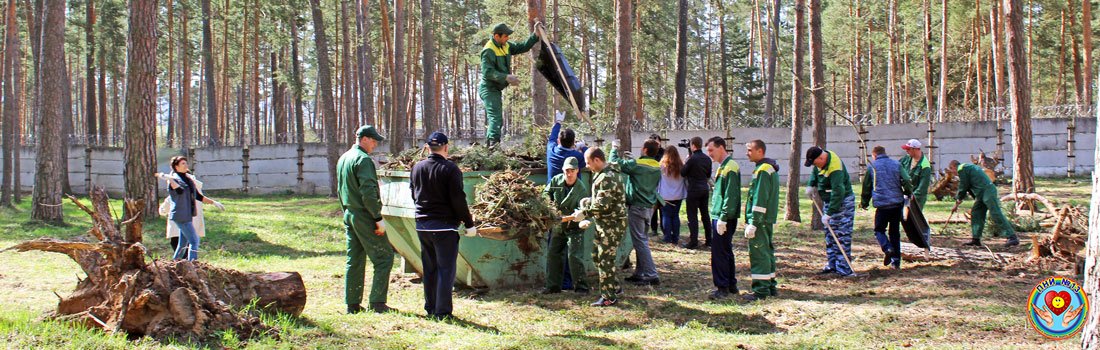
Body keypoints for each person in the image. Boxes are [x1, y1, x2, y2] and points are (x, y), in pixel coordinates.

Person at [411, 132, 478, 320]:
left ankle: (430, 307)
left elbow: (414, 194)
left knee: (430, 268)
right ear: (446, 147)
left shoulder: (417, 168)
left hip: (422, 226)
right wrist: (469, 223)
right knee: (446, 270)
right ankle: (442, 312)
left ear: (428, 147)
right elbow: (458, 199)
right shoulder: (450, 169)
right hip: (444, 227)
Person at [337, 125, 393, 314]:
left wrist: (346, 211)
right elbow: (368, 192)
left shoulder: (344, 158)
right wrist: (377, 218)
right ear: (364, 139)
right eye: (373, 140)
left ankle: (351, 304)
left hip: (349, 213)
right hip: (364, 215)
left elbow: (339, 190)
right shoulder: (363, 160)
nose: (375, 145)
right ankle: (377, 303)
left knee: (354, 259)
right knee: (384, 257)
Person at [576, 147, 627, 306]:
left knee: (605, 259)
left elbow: (603, 205)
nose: (587, 166)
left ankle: (608, 297)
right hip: (603, 224)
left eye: (588, 162)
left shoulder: (608, 177)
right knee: (597, 256)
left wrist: (585, 212)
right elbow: (600, 198)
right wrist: (587, 202)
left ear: (597, 160)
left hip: (612, 225)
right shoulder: (601, 174)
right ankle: (614, 286)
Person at [610, 139, 663, 286]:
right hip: (649, 207)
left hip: (637, 207)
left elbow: (614, 163)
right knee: (642, 240)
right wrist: (633, 160)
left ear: (645, 150)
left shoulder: (637, 165)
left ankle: (652, 274)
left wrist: (614, 148)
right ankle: (640, 273)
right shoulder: (657, 166)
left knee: (640, 242)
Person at [479, 23, 541, 145]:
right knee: (496, 118)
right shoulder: (488, 50)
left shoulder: (505, 45)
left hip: (495, 89)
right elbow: (488, 72)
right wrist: (506, 77)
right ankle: (493, 146)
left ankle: (488, 148)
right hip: (488, 89)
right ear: (497, 36)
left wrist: (535, 35)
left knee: (495, 118)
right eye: (505, 36)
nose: (508, 38)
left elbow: (521, 47)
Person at [545, 110, 586, 290]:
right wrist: (582, 148)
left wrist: (557, 123)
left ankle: (554, 282)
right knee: (571, 251)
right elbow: (586, 158)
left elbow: (551, 140)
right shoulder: (576, 157)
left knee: (554, 249)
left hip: (554, 207)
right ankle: (567, 282)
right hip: (572, 208)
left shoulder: (552, 151)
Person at [156, 156, 224, 262]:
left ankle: (175, 262)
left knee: (183, 243)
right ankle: (193, 264)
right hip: (180, 215)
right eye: (183, 163)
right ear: (176, 167)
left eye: (186, 163)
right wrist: (169, 179)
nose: (186, 165)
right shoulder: (174, 179)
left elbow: (198, 196)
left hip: (188, 214)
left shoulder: (189, 180)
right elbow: (179, 191)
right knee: (194, 240)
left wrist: (213, 202)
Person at [805, 146, 857, 277]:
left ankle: (844, 269)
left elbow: (839, 192)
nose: (815, 166)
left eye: (815, 162)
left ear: (821, 158)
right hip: (830, 201)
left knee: (841, 235)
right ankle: (832, 265)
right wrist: (811, 185)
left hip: (843, 203)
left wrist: (830, 213)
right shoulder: (821, 162)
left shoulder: (835, 167)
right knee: (830, 234)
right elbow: (815, 172)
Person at [541, 157, 590, 294]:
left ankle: (581, 288)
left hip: (574, 228)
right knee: (553, 254)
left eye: (572, 171)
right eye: (567, 170)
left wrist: (582, 218)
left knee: (574, 257)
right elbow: (546, 193)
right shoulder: (556, 180)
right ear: (563, 170)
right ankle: (553, 287)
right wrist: (549, 206)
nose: (569, 174)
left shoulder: (581, 189)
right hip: (558, 225)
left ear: (577, 171)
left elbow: (584, 210)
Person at [860, 146, 913, 270]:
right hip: (896, 203)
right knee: (894, 232)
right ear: (885, 153)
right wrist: (908, 192)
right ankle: (896, 262)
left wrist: (864, 202)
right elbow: (906, 180)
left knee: (879, 230)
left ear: (874, 155)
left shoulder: (872, 167)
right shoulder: (896, 164)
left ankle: (887, 247)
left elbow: (867, 187)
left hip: (882, 205)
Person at [946, 160, 1020, 247]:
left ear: (953, 167)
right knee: (976, 213)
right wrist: (960, 201)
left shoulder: (962, 168)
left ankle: (1012, 236)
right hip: (981, 193)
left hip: (987, 190)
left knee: (995, 213)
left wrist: (957, 201)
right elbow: (969, 187)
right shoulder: (967, 169)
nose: (954, 173)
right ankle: (976, 239)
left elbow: (963, 186)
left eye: (952, 170)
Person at [742, 140, 779, 301]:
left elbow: (760, 198)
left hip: (760, 220)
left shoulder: (763, 171)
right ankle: (770, 285)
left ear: (760, 151)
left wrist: (754, 222)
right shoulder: (766, 169)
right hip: (766, 220)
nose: (747, 153)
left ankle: (761, 290)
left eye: (750, 150)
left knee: (759, 253)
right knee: (767, 251)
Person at [705, 137, 741, 300]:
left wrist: (723, 217)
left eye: (711, 150)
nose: (710, 154)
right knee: (725, 250)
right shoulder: (723, 166)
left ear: (721, 148)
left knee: (719, 252)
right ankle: (731, 284)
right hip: (721, 215)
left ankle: (722, 286)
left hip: (723, 216)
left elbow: (731, 195)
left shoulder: (730, 167)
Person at [681, 136, 713, 249]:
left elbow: (683, 173)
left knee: (692, 216)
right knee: (705, 215)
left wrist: (685, 163)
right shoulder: (707, 158)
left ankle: (693, 241)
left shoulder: (692, 159)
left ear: (693, 145)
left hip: (694, 189)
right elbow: (708, 175)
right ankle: (709, 240)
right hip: (704, 188)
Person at [658, 146, 686, 244]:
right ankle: (675, 237)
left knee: (666, 216)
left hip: (665, 195)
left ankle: (667, 237)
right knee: (675, 216)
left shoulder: (662, 166)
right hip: (678, 195)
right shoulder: (681, 165)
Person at [898, 139, 932, 208]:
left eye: (908, 149)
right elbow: (897, 167)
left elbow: (922, 187)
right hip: (905, 195)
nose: (906, 151)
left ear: (915, 149)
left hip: (917, 199)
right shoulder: (906, 158)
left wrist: (912, 198)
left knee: (913, 218)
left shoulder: (925, 165)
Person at [648, 134, 665, 237]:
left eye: (657, 141)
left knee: (662, 207)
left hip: (662, 183)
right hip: (651, 183)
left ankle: (664, 228)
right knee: (653, 207)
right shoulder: (648, 153)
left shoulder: (664, 152)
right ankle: (654, 229)